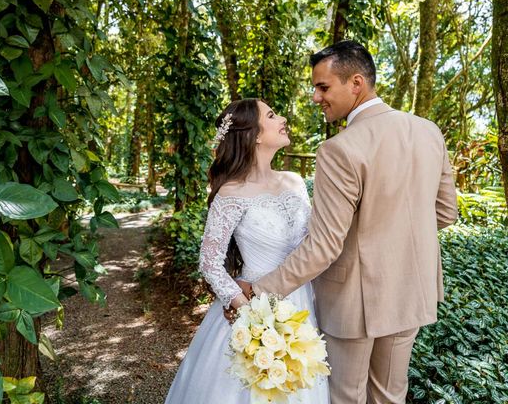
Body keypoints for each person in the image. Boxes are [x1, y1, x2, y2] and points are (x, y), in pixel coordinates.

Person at [235, 40, 458, 404]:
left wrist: (260, 291)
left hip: (355, 302)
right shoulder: (428, 131)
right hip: (411, 293)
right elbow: (446, 212)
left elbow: (324, 246)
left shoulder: (340, 149)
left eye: (323, 87)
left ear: (356, 83)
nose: (315, 97)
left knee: (345, 397)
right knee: (390, 396)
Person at [165, 98, 330, 404]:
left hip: (304, 302)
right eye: (271, 114)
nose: (282, 118)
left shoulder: (295, 182)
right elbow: (210, 261)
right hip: (254, 304)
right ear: (254, 134)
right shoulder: (231, 192)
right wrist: (246, 311)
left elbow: (315, 244)